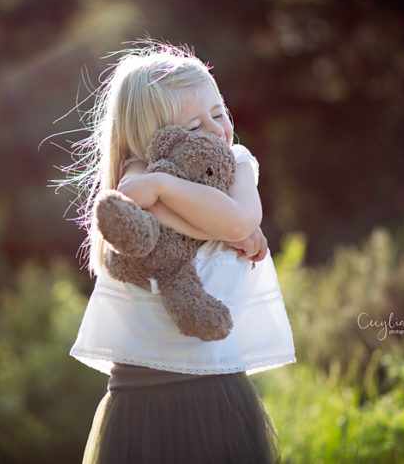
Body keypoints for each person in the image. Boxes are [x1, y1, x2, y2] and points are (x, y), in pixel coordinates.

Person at [62, 41, 295, 464]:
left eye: (219, 113)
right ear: (153, 140)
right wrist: (213, 224)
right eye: (192, 127)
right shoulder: (134, 175)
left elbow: (241, 220)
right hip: (141, 393)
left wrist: (167, 193)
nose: (216, 130)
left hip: (215, 388)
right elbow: (134, 198)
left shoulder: (236, 163)